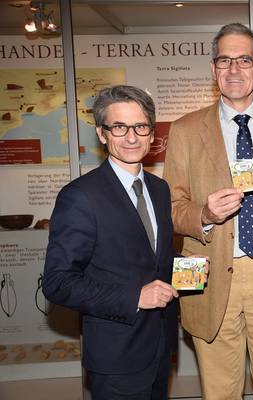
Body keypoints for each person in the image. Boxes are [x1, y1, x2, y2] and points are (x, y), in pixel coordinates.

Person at [162, 23, 253, 400]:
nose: (234, 69)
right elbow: (171, 208)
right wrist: (204, 215)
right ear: (213, 69)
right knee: (220, 392)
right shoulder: (185, 130)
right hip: (210, 272)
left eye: (244, 60)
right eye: (225, 61)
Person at [43, 85, 179, 399]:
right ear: (102, 134)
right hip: (116, 357)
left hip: (160, 347)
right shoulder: (80, 196)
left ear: (152, 133)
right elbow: (57, 282)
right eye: (119, 127)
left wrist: (188, 266)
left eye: (140, 126)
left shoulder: (159, 189)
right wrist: (135, 297)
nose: (131, 137)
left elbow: (152, 258)